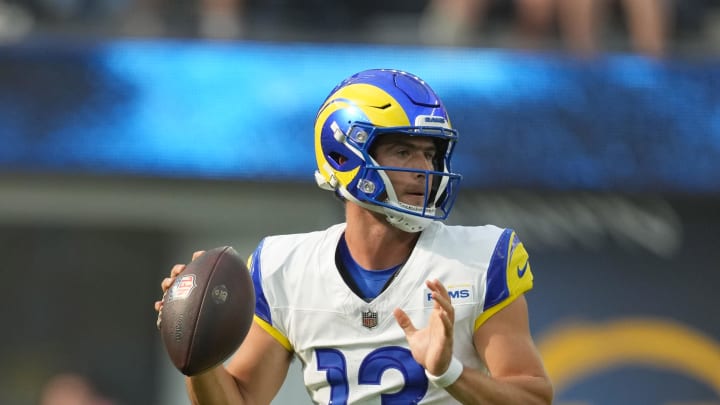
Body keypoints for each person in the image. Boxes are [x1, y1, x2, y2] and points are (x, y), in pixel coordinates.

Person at [155, 68, 553, 404]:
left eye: (430, 153)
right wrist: (198, 348)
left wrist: (449, 372)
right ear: (343, 155)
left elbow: (533, 396)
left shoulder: (480, 258)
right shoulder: (285, 266)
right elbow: (240, 399)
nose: (423, 169)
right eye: (403, 152)